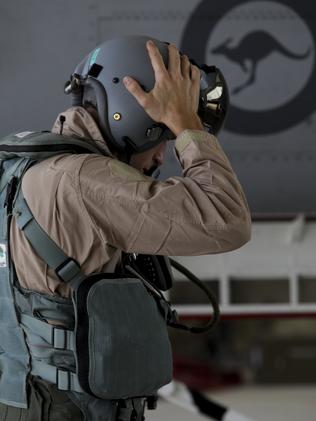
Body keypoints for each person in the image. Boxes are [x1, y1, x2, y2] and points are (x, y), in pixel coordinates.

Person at [0, 36, 251, 420]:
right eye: (162, 133)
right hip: (70, 409)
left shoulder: (19, 169)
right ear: (133, 115)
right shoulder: (84, 179)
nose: (164, 155)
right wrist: (187, 124)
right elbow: (226, 219)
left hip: (23, 399)